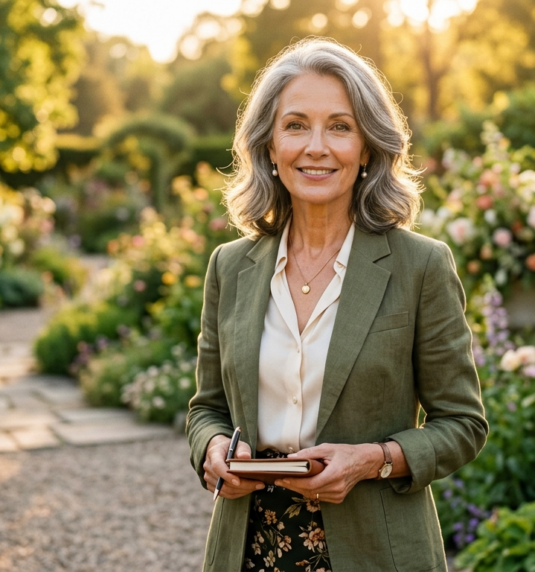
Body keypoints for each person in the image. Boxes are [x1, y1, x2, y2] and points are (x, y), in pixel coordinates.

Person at [186, 37, 488, 572]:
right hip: (249, 546)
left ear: (368, 147)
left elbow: (463, 423)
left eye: (340, 126)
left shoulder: (421, 266)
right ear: (270, 145)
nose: (316, 146)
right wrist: (212, 453)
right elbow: (207, 409)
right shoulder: (230, 267)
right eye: (296, 125)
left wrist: (373, 460)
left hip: (377, 548)